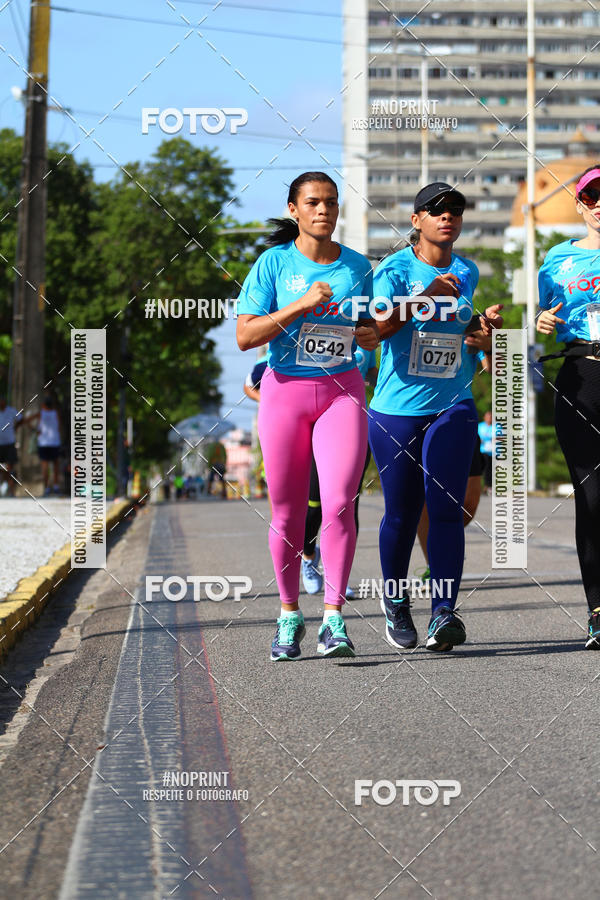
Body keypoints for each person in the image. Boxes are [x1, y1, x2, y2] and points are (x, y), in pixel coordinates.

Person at [236, 170, 379, 660]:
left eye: (331, 202)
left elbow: (367, 328)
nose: (323, 210)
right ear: (294, 209)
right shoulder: (273, 264)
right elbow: (246, 336)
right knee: (288, 511)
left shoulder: (358, 266)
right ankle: (289, 614)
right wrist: (300, 305)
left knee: (338, 503)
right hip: (285, 393)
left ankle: (334, 618)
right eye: (314, 202)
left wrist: (370, 336)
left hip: (342, 390)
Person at [369, 182, 498, 652]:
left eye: (456, 210)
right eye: (437, 209)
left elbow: (463, 329)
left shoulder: (467, 270)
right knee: (402, 513)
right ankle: (395, 601)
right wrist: (425, 295)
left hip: (453, 402)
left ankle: (444, 612)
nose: (448, 216)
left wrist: (483, 331)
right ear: (416, 219)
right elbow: (377, 329)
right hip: (397, 409)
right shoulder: (393, 270)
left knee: (446, 510)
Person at [537, 163, 600, 650]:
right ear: (580, 205)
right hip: (581, 375)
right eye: (592, 196)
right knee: (592, 499)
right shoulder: (558, 258)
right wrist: (540, 320)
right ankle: (598, 610)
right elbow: (544, 314)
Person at [301, 345, 378, 598]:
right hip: (316, 425)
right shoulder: (317, 329)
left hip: (352, 423)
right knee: (314, 506)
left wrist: (377, 379)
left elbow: (372, 373)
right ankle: (308, 556)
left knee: (346, 506)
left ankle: (337, 576)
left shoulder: (365, 333)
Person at [416, 345, 498, 578]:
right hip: (416, 414)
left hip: (458, 416)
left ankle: (445, 541)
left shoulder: (467, 327)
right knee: (424, 502)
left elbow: (496, 368)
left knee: (468, 504)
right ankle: (434, 565)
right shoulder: (408, 321)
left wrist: (489, 344)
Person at [0, 396, 23, 497]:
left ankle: (11, 490)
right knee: (3, 468)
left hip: (9, 443)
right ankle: (4, 484)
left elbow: (21, 419)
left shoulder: (11, 411)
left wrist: (16, 427)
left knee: (10, 467)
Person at [478, 410, 494, 492]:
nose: (489, 418)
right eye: (488, 417)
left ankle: (489, 486)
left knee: (491, 469)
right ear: (484, 417)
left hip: (493, 452)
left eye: (491, 417)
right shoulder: (480, 426)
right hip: (483, 451)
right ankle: (484, 485)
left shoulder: (496, 427)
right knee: (483, 469)